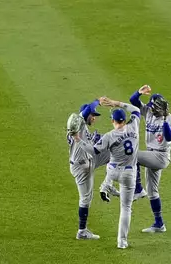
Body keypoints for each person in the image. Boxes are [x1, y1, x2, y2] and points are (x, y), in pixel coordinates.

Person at [74, 100, 140, 249]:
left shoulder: (109, 136)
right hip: (130, 173)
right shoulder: (134, 125)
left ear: (112, 120)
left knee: (109, 159)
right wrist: (116, 103)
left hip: (113, 171)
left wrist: (79, 140)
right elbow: (135, 110)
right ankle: (122, 242)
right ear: (125, 119)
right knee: (126, 208)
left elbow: (93, 151)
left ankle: (107, 185)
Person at [129, 85, 171, 233]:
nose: (151, 108)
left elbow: (169, 137)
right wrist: (139, 92)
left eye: (153, 106)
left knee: (133, 155)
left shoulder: (170, 120)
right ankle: (159, 224)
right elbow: (133, 101)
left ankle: (137, 189)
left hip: (160, 156)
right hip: (151, 154)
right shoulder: (148, 111)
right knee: (153, 192)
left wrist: (164, 123)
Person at [66, 99, 103, 240]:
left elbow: (88, 145)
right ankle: (82, 231)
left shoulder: (81, 128)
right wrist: (98, 101)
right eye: (92, 115)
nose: (94, 118)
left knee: (111, 149)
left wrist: (95, 140)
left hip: (85, 162)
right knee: (85, 199)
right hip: (81, 167)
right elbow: (87, 110)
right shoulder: (79, 123)